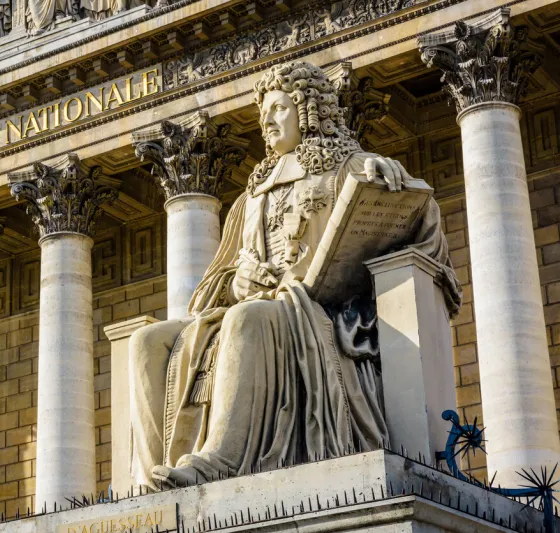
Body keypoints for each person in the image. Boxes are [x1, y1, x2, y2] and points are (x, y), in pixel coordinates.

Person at [128, 61, 462, 490]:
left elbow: (421, 225)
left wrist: (391, 180)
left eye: (279, 109)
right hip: (255, 309)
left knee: (247, 319)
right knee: (148, 341)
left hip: (319, 315)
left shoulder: (352, 170)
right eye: (263, 113)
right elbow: (214, 284)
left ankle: (219, 461)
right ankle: (153, 478)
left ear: (308, 112)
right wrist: (236, 281)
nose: (267, 121)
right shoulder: (254, 194)